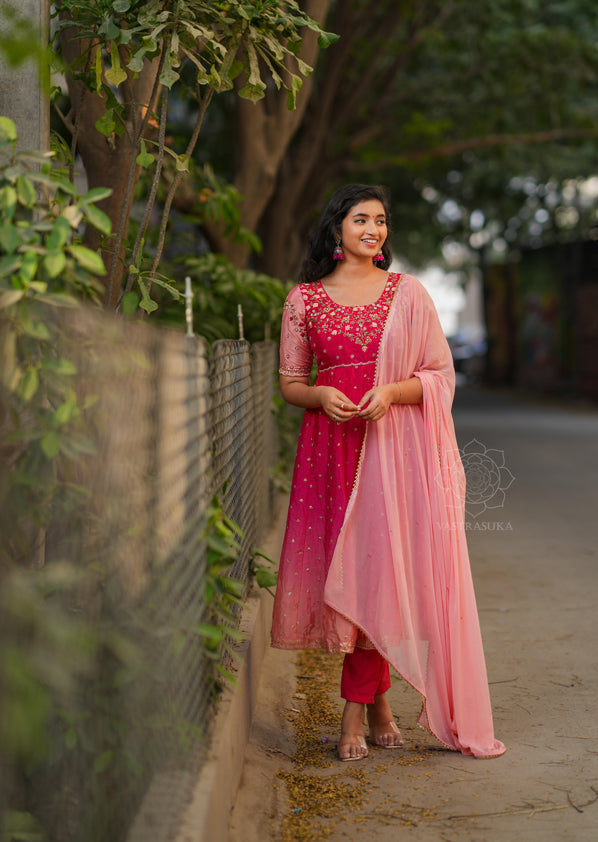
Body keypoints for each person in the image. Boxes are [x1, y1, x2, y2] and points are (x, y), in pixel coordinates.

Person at [271, 184, 505, 761]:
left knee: (374, 572)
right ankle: (377, 704)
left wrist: (394, 393)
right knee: (351, 578)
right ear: (335, 231)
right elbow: (290, 383)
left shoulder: (409, 294)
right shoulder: (303, 300)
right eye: (360, 220)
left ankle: (353, 712)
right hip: (331, 450)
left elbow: (439, 375)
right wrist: (321, 394)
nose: (373, 230)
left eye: (380, 221)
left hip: (390, 451)